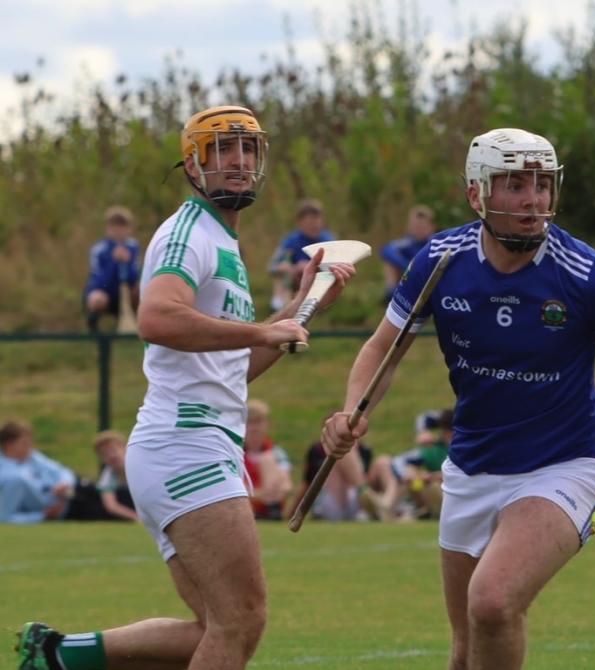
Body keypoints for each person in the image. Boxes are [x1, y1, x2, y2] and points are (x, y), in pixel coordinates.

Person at [17, 105, 356, 670]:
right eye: (222, 149)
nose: (239, 161)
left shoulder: (222, 241)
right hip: (186, 445)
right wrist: (261, 326)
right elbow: (156, 317)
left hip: (190, 444)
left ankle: (59, 655)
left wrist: (302, 307)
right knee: (241, 622)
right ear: (193, 164)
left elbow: (236, 367)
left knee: (212, 628)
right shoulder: (188, 234)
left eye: (247, 149)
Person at [320, 128, 595, 670]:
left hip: (562, 467)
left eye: (542, 184)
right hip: (471, 469)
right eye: (514, 185)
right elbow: (382, 349)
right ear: (477, 193)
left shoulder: (588, 275)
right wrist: (351, 412)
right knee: (464, 651)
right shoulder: (440, 261)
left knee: (494, 603)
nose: (534, 200)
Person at [359, 407, 452, 521]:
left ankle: (387, 507)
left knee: (433, 486)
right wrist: (410, 477)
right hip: (423, 489)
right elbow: (400, 461)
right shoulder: (435, 450)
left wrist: (435, 476)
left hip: (451, 492)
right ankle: (386, 507)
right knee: (408, 472)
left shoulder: (467, 450)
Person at [0, 420, 76, 524]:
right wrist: (42, 516)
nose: (30, 447)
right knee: (16, 481)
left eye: (30, 442)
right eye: (24, 443)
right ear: (9, 445)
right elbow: (6, 514)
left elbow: (63, 471)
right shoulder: (7, 473)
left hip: (63, 502)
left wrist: (64, 483)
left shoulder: (33, 457)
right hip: (42, 510)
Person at [267, 198, 335, 312]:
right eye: (310, 223)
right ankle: (280, 305)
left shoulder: (328, 240)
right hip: (296, 281)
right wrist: (288, 268)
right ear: (300, 223)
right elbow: (271, 267)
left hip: (319, 280)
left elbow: (336, 267)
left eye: (317, 221)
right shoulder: (291, 241)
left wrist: (312, 267)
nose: (315, 226)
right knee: (283, 272)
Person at [83, 205, 140, 331]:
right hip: (106, 291)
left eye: (122, 226)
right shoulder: (99, 249)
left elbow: (135, 276)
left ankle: (138, 328)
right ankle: (94, 332)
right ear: (107, 228)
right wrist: (114, 261)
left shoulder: (133, 247)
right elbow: (99, 281)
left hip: (126, 292)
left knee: (142, 292)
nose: (118, 230)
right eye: (114, 225)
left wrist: (127, 261)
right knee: (97, 299)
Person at [291, 437, 373, 522]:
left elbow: (366, 476)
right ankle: (364, 492)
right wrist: (293, 513)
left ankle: (365, 498)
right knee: (342, 452)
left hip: (354, 498)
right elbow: (307, 484)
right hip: (327, 498)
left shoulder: (365, 450)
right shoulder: (317, 450)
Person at [243, 399, 293, 520]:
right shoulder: (236, 453)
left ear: (267, 424)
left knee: (267, 459)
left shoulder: (276, 453)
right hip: (245, 501)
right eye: (250, 423)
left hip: (269, 500)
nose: (254, 428)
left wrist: (273, 492)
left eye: (258, 422)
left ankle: (271, 508)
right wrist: (257, 494)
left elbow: (286, 484)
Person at [380, 204, 436, 303]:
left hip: (430, 281)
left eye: (422, 226)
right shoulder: (408, 243)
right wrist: (408, 266)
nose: (419, 230)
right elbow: (386, 250)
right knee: (391, 264)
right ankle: (392, 296)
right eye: (416, 226)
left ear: (431, 226)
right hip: (410, 279)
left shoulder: (436, 242)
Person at [93, 430, 138, 522]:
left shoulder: (141, 466)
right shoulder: (107, 475)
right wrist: (136, 517)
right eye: (104, 453)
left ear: (125, 448)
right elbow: (111, 506)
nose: (111, 455)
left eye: (113, 449)